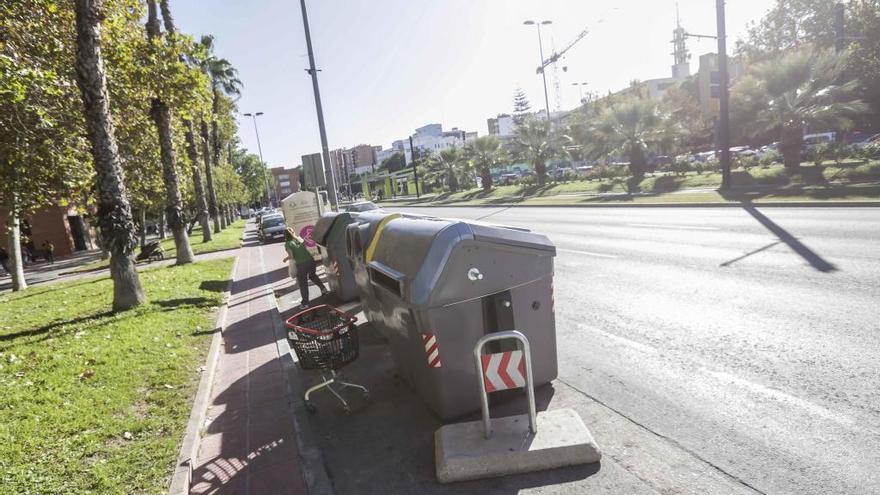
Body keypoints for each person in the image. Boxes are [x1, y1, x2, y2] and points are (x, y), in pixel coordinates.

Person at [282, 227, 327, 309]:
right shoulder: (299, 239)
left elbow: (291, 256)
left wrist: (285, 259)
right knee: (312, 275)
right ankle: (323, 289)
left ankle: (305, 303)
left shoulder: (288, 244)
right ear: (293, 233)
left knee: (303, 284)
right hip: (311, 261)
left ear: (285, 236)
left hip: (302, 264)